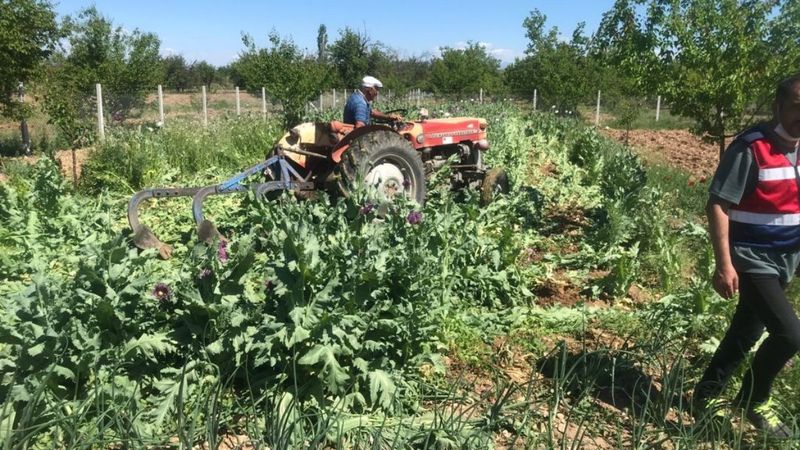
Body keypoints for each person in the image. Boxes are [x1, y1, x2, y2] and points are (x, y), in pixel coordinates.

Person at [693, 74, 800, 438]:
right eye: (796, 107)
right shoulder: (750, 148)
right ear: (778, 106)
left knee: (746, 330)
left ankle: (704, 395)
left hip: (786, 259)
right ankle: (755, 400)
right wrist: (724, 264)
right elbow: (718, 204)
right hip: (752, 258)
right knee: (790, 335)